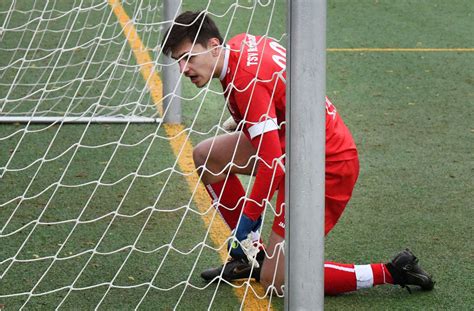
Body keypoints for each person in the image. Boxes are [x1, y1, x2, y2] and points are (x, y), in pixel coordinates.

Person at [162, 11, 434, 296]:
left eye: (189, 57)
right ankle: (249, 257)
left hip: (325, 164)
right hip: (293, 143)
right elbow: (275, 92)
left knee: (277, 281)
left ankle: (391, 270)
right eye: (178, 61)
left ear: (215, 46)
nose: (182, 68)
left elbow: (272, 167)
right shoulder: (240, 45)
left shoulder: (246, 80)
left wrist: (245, 226)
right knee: (208, 156)